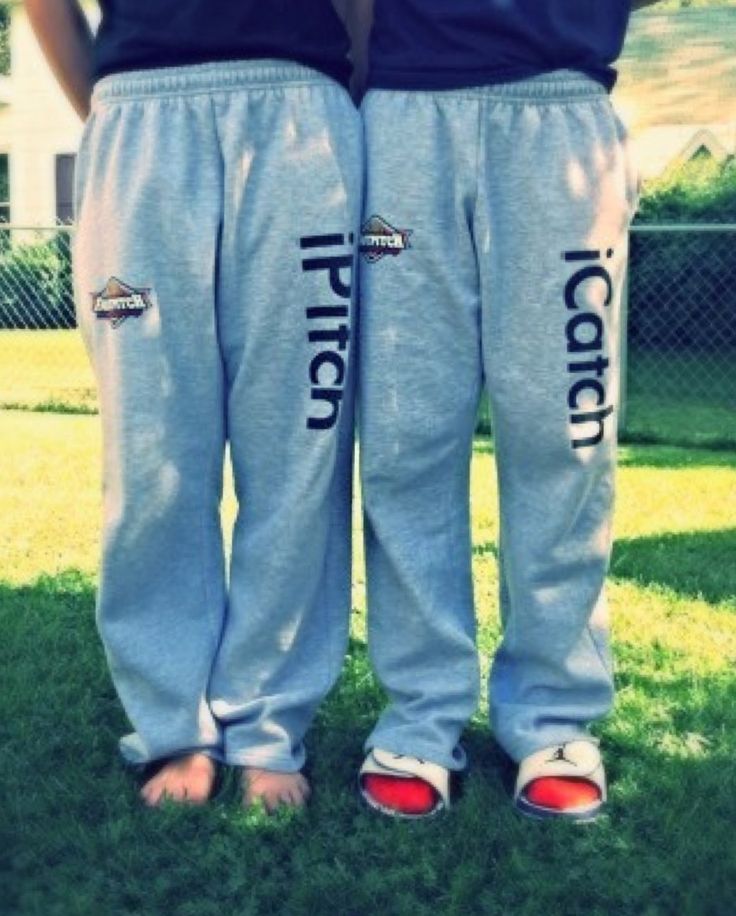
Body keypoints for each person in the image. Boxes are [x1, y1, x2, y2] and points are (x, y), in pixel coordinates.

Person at [26, 0, 363, 811]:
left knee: (300, 446)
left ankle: (268, 723)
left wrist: (339, 111)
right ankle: (175, 723)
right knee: (152, 453)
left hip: (302, 115)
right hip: (140, 115)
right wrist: (114, 108)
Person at [356, 0, 660, 821]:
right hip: (405, 111)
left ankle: (554, 714)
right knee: (405, 433)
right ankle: (421, 711)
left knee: (565, 435)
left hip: (561, 113)